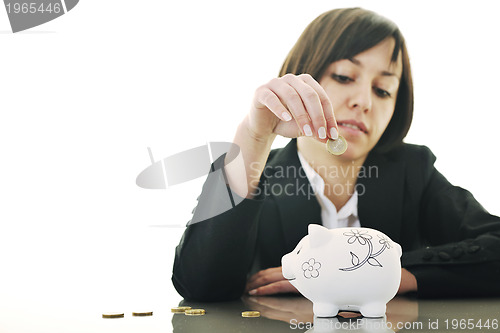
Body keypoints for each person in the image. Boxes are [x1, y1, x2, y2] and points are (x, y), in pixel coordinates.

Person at [172, 7, 500, 301]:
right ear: (304, 76)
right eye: (344, 77)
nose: (364, 102)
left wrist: (388, 275)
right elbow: (200, 286)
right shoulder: (260, 175)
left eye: (383, 89)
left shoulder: (414, 170)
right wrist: (254, 136)